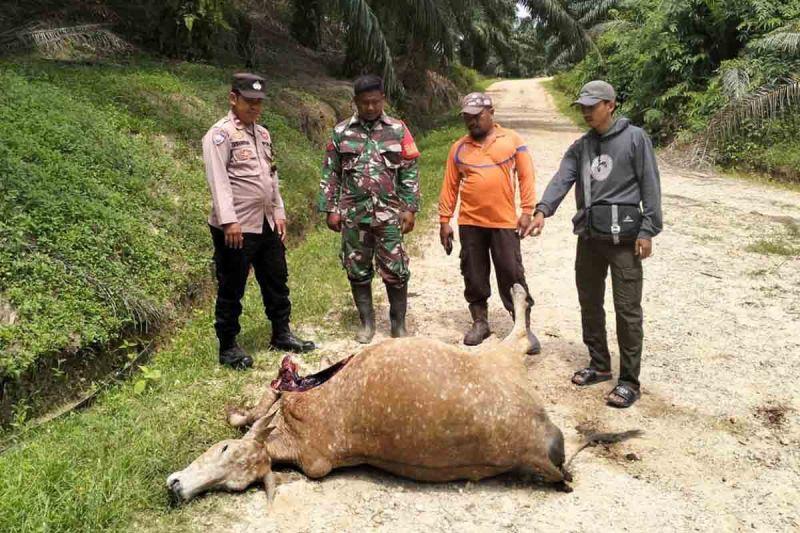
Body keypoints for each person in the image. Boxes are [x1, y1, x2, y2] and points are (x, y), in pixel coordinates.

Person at [530, 80, 662, 408]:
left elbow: (650, 186)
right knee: (589, 302)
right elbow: (562, 178)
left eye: (593, 105)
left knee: (627, 311)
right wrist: (542, 210)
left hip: (625, 241)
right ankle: (600, 364)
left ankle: (629, 381)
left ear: (611, 104)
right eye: (584, 107)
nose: (587, 112)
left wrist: (648, 229)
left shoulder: (636, 139)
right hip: (589, 237)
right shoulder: (581, 146)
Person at [202, 73, 315, 370]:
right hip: (237, 227)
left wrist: (279, 211)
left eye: (259, 103)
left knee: (277, 279)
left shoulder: (262, 134)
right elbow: (219, 181)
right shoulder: (220, 135)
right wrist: (229, 221)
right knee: (232, 285)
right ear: (233, 98)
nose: (254, 108)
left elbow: (272, 176)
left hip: (266, 223)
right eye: (249, 101)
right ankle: (228, 347)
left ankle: (281, 332)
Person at [318, 75, 420, 343]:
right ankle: (367, 323)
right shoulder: (341, 133)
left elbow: (409, 172)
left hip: (389, 214)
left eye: (376, 102)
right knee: (357, 268)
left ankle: (398, 325)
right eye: (365, 103)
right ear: (356, 103)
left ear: (383, 99)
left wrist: (409, 208)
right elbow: (332, 173)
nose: (371, 108)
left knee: (395, 269)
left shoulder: (398, 130)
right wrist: (331, 207)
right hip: (354, 215)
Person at [438, 92, 541, 354]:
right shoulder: (458, 148)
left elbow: (526, 177)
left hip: (504, 223)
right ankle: (480, 322)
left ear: (490, 113)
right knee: (473, 274)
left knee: (511, 272)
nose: (472, 122)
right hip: (471, 223)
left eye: (477, 116)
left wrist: (527, 210)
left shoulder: (512, 141)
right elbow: (450, 186)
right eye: (467, 118)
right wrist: (444, 220)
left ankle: (523, 328)